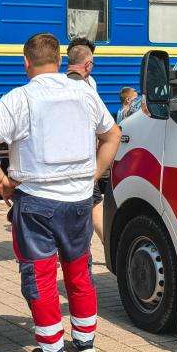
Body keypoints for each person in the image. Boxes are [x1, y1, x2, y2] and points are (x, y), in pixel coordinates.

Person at [0, 33, 120, 352]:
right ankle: (84, 340)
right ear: (58, 60)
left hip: (36, 201)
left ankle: (51, 349)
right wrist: (94, 174)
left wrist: (0, 182)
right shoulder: (84, 93)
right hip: (80, 199)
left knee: (39, 273)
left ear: (26, 62)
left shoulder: (19, 98)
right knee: (79, 268)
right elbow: (112, 134)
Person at [65, 37, 106, 242]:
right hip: (83, 159)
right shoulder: (86, 88)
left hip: (70, 157)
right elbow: (109, 131)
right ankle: (112, 252)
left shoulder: (60, 83)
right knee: (95, 208)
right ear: (88, 63)